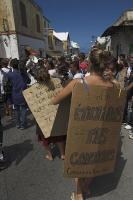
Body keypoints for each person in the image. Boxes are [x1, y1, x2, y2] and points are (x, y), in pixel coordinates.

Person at [52, 48, 120, 200]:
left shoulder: (78, 82)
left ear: (89, 64)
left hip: (80, 128)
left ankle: (78, 193)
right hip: (102, 130)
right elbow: (120, 97)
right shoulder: (112, 85)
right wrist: (113, 79)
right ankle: (86, 187)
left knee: (78, 157)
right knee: (94, 157)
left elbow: (54, 100)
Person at [34, 66, 66, 161]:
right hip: (56, 113)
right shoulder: (56, 82)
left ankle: (50, 155)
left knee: (45, 137)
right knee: (58, 136)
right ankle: (62, 154)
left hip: (42, 115)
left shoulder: (34, 89)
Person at [6, 58, 29, 130]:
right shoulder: (22, 74)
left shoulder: (10, 74)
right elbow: (28, 81)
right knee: (23, 110)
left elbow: (8, 81)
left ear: (12, 65)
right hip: (23, 94)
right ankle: (22, 125)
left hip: (15, 94)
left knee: (17, 110)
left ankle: (18, 124)